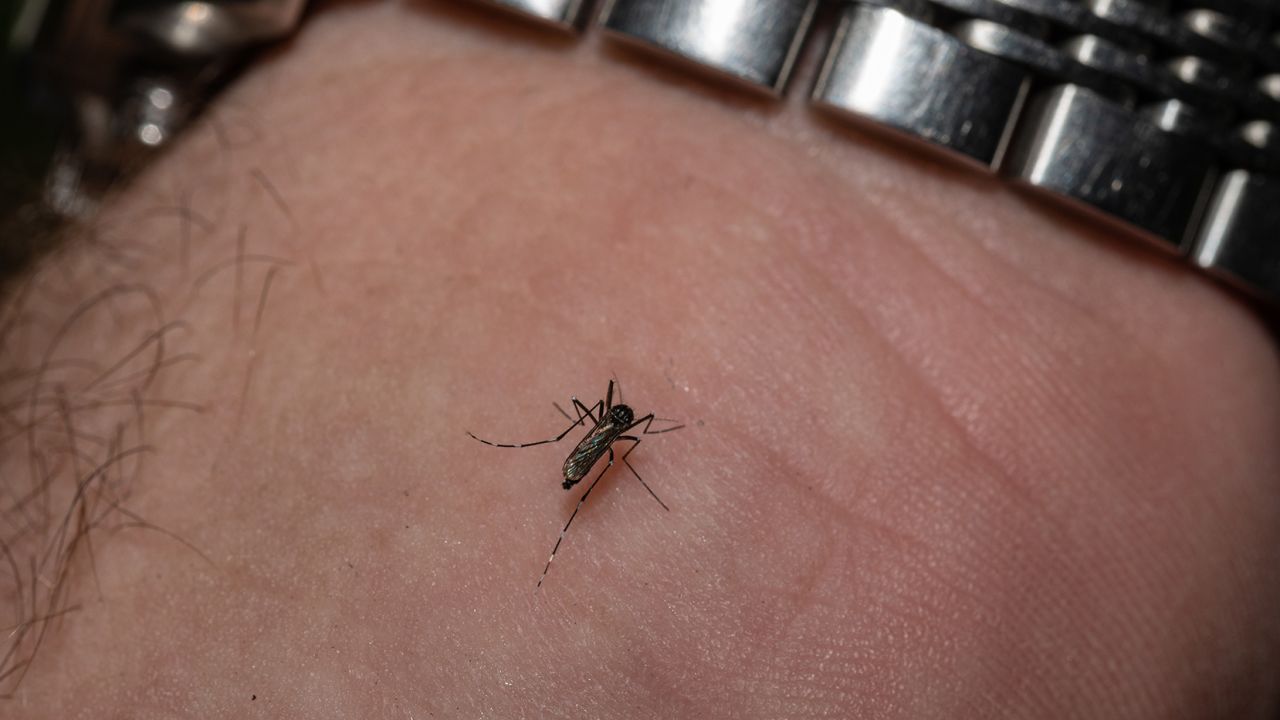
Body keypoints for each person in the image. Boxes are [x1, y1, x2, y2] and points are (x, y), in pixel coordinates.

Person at [2, 1, 1277, 716]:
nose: (611, 424)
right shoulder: (608, 433)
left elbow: (614, 431)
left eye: (610, 425)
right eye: (609, 423)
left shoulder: (615, 439)